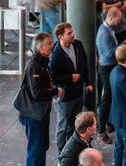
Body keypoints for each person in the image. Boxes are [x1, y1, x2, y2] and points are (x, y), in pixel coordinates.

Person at [19, 33, 60, 166]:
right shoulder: (35, 66)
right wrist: (55, 91)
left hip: (41, 112)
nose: (52, 45)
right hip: (33, 115)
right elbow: (37, 92)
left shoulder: (43, 63)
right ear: (41, 48)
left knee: (42, 147)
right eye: (49, 43)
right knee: (36, 150)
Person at [49, 22, 91, 153]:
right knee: (63, 126)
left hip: (78, 93)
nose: (73, 35)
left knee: (76, 125)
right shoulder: (55, 55)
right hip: (65, 97)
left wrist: (88, 82)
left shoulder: (77, 45)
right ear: (61, 37)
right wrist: (70, 77)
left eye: (72, 32)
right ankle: (63, 155)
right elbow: (52, 78)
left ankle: (74, 151)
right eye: (69, 33)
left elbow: (84, 65)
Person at [95, 8, 121, 144]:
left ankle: (109, 123)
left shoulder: (108, 29)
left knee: (110, 97)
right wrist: (123, 47)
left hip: (110, 66)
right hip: (106, 68)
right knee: (107, 97)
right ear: (111, 18)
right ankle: (101, 130)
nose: (119, 21)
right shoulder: (104, 33)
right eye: (118, 19)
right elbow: (109, 53)